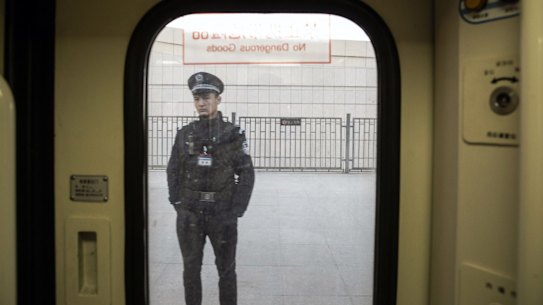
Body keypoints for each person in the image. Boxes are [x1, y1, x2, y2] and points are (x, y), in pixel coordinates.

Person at [166, 72, 255, 305]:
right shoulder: (185, 134)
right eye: (197, 98)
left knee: (226, 271)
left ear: (218, 99)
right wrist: (176, 202)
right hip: (190, 213)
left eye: (206, 97)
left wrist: (235, 210)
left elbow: (246, 172)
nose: (201, 103)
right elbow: (173, 169)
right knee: (191, 270)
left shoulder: (232, 135)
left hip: (222, 214)